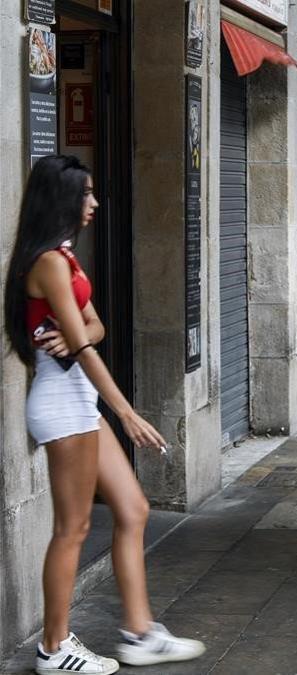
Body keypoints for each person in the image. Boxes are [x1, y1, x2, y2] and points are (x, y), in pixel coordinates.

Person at [4, 155, 206, 674]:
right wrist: (128, 415)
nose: (94, 202)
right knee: (72, 529)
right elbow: (86, 348)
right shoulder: (47, 262)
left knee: (133, 509)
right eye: (86, 194)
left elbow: (95, 328)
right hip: (62, 406)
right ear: (63, 197)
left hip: (80, 404)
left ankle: (139, 634)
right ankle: (54, 648)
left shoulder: (65, 258)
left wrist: (81, 335)